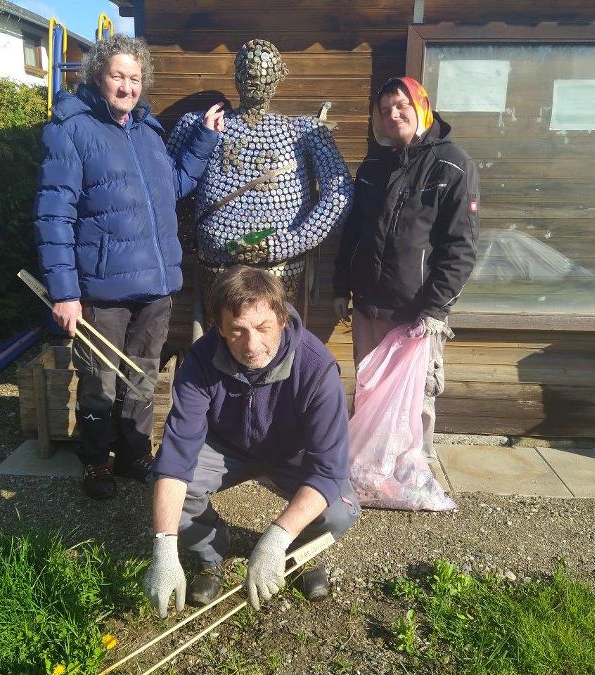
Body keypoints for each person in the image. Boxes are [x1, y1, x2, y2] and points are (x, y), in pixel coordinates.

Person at [33, 35, 225, 500]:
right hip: (100, 290)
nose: (127, 87)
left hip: (154, 286)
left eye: (135, 78)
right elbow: (53, 213)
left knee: (140, 376)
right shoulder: (72, 129)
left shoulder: (147, 130)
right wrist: (64, 291)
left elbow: (172, 187)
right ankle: (97, 460)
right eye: (118, 75)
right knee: (99, 382)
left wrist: (202, 141)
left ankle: (135, 452)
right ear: (98, 76)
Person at [142, 266, 360, 617]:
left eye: (262, 328)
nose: (252, 345)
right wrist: (164, 549)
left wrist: (275, 537)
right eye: (237, 331)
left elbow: (328, 471)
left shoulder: (317, 368)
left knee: (339, 512)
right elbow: (176, 456)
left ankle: (296, 552)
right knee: (171, 489)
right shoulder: (200, 361)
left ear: (282, 319)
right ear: (219, 327)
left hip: (293, 452)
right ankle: (211, 553)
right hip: (228, 447)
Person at [332, 76, 479, 459]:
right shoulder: (374, 165)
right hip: (368, 306)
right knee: (370, 389)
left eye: (401, 106)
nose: (394, 115)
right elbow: (354, 233)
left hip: (416, 313)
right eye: (385, 111)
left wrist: (435, 309)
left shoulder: (452, 165)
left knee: (416, 398)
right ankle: (367, 466)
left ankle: (412, 468)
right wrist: (339, 287)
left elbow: (460, 247)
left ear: (421, 106)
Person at [166, 39, 353, 303]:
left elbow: (339, 194)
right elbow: (161, 186)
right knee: (222, 336)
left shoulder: (305, 131)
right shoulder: (200, 124)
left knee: (275, 335)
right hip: (215, 264)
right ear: (236, 74)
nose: (253, 74)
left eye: (262, 69)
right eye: (246, 68)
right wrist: (187, 234)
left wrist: (289, 243)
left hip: (281, 266)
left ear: (279, 76)